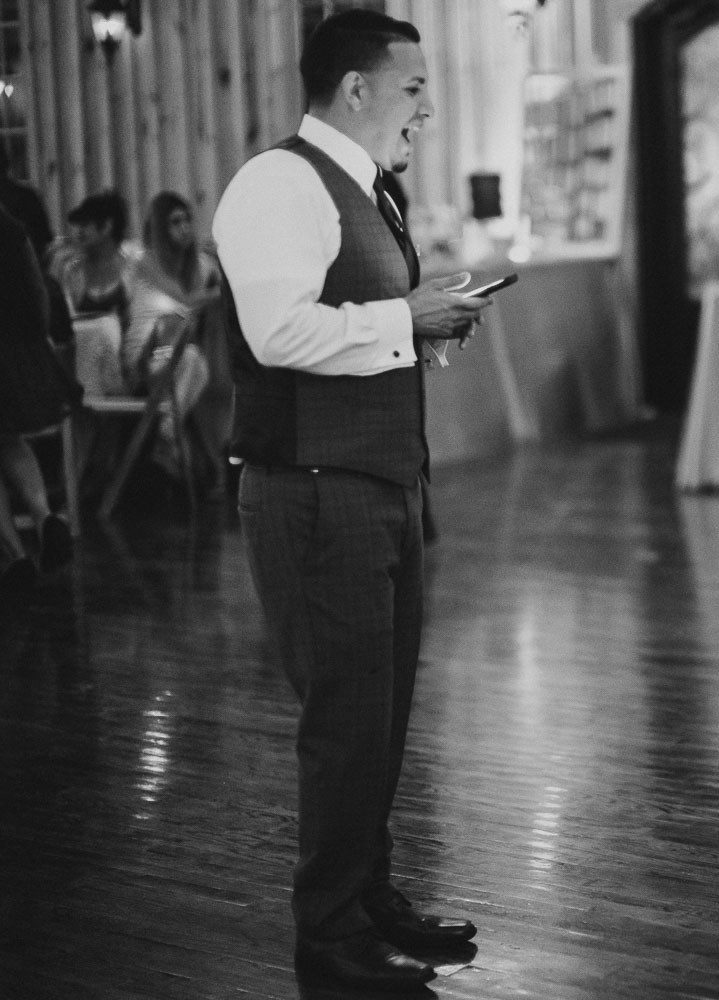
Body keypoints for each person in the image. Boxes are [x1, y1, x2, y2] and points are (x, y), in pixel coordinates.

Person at [212, 10, 487, 992]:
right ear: (356, 88)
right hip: (313, 492)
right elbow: (280, 332)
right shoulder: (277, 183)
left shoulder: (374, 191)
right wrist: (401, 316)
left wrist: (426, 327)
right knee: (344, 719)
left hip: (378, 486)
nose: (427, 107)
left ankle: (368, 897)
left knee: (382, 713)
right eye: (413, 87)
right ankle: (327, 931)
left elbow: (356, 324)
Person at [0, 203, 78, 592]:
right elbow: (37, 290)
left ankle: (14, 554)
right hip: (18, 351)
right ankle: (45, 516)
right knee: (8, 440)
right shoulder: (12, 226)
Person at [127, 191, 220, 482]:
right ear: (159, 229)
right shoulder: (147, 261)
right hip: (144, 355)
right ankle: (171, 441)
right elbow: (184, 299)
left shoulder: (202, 267)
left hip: (177, 355)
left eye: (187, 220)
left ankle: (168, 437)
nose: (184, 228)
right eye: (174, 222)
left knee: (197, 362)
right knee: (194, 359)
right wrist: (224, 290)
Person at [50, 190, 135, 397]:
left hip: (128, 361)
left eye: (84, 225)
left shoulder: (132, 266)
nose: (77, 232)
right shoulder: (71, 269)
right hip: (83, 360)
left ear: (106, 227)